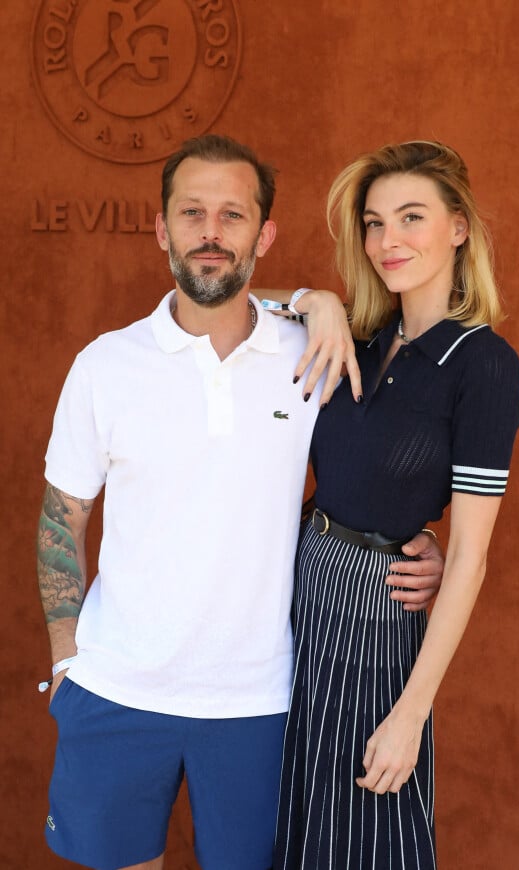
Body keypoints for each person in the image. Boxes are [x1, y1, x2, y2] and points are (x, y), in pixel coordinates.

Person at [37, 134, 444, 870]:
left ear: (265, 233)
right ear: (163, 228)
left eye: (232, 215)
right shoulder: (104, 365)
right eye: (191, 213)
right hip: (117, 690)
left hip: (262, 701)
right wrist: (68, 658)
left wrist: (414, 543)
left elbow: (369, 478)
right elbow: (62, 512)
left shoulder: (315, 353)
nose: (211, 233)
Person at [273, 141, 519, 870]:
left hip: (376, 609)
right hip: (299, 587)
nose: (389, 241)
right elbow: (241, 307)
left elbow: (471, 557)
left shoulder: (481, 363)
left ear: (458, 227)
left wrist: (411, 715)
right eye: (374, 223)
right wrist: (311, 300)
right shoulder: (359, 334)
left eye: (411, 217)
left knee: (363, 823)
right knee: (290, 807)